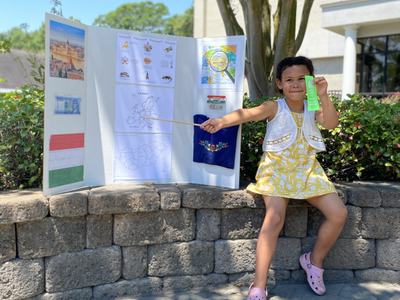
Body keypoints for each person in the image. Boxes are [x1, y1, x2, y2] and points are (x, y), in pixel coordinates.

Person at [200, 56, 348, 299]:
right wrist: (220, 122)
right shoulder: (274, 107)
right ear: (280, 83)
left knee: (339, 213)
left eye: (302, 79)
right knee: (274, 218)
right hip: (276, 171)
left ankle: (314, 261)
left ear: (311, 80)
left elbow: (331, 124)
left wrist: (322, 95)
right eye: (289, 80)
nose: (296, 84)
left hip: (308, 172)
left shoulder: (314, 106)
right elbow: (246, 113)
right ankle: (259, 285)